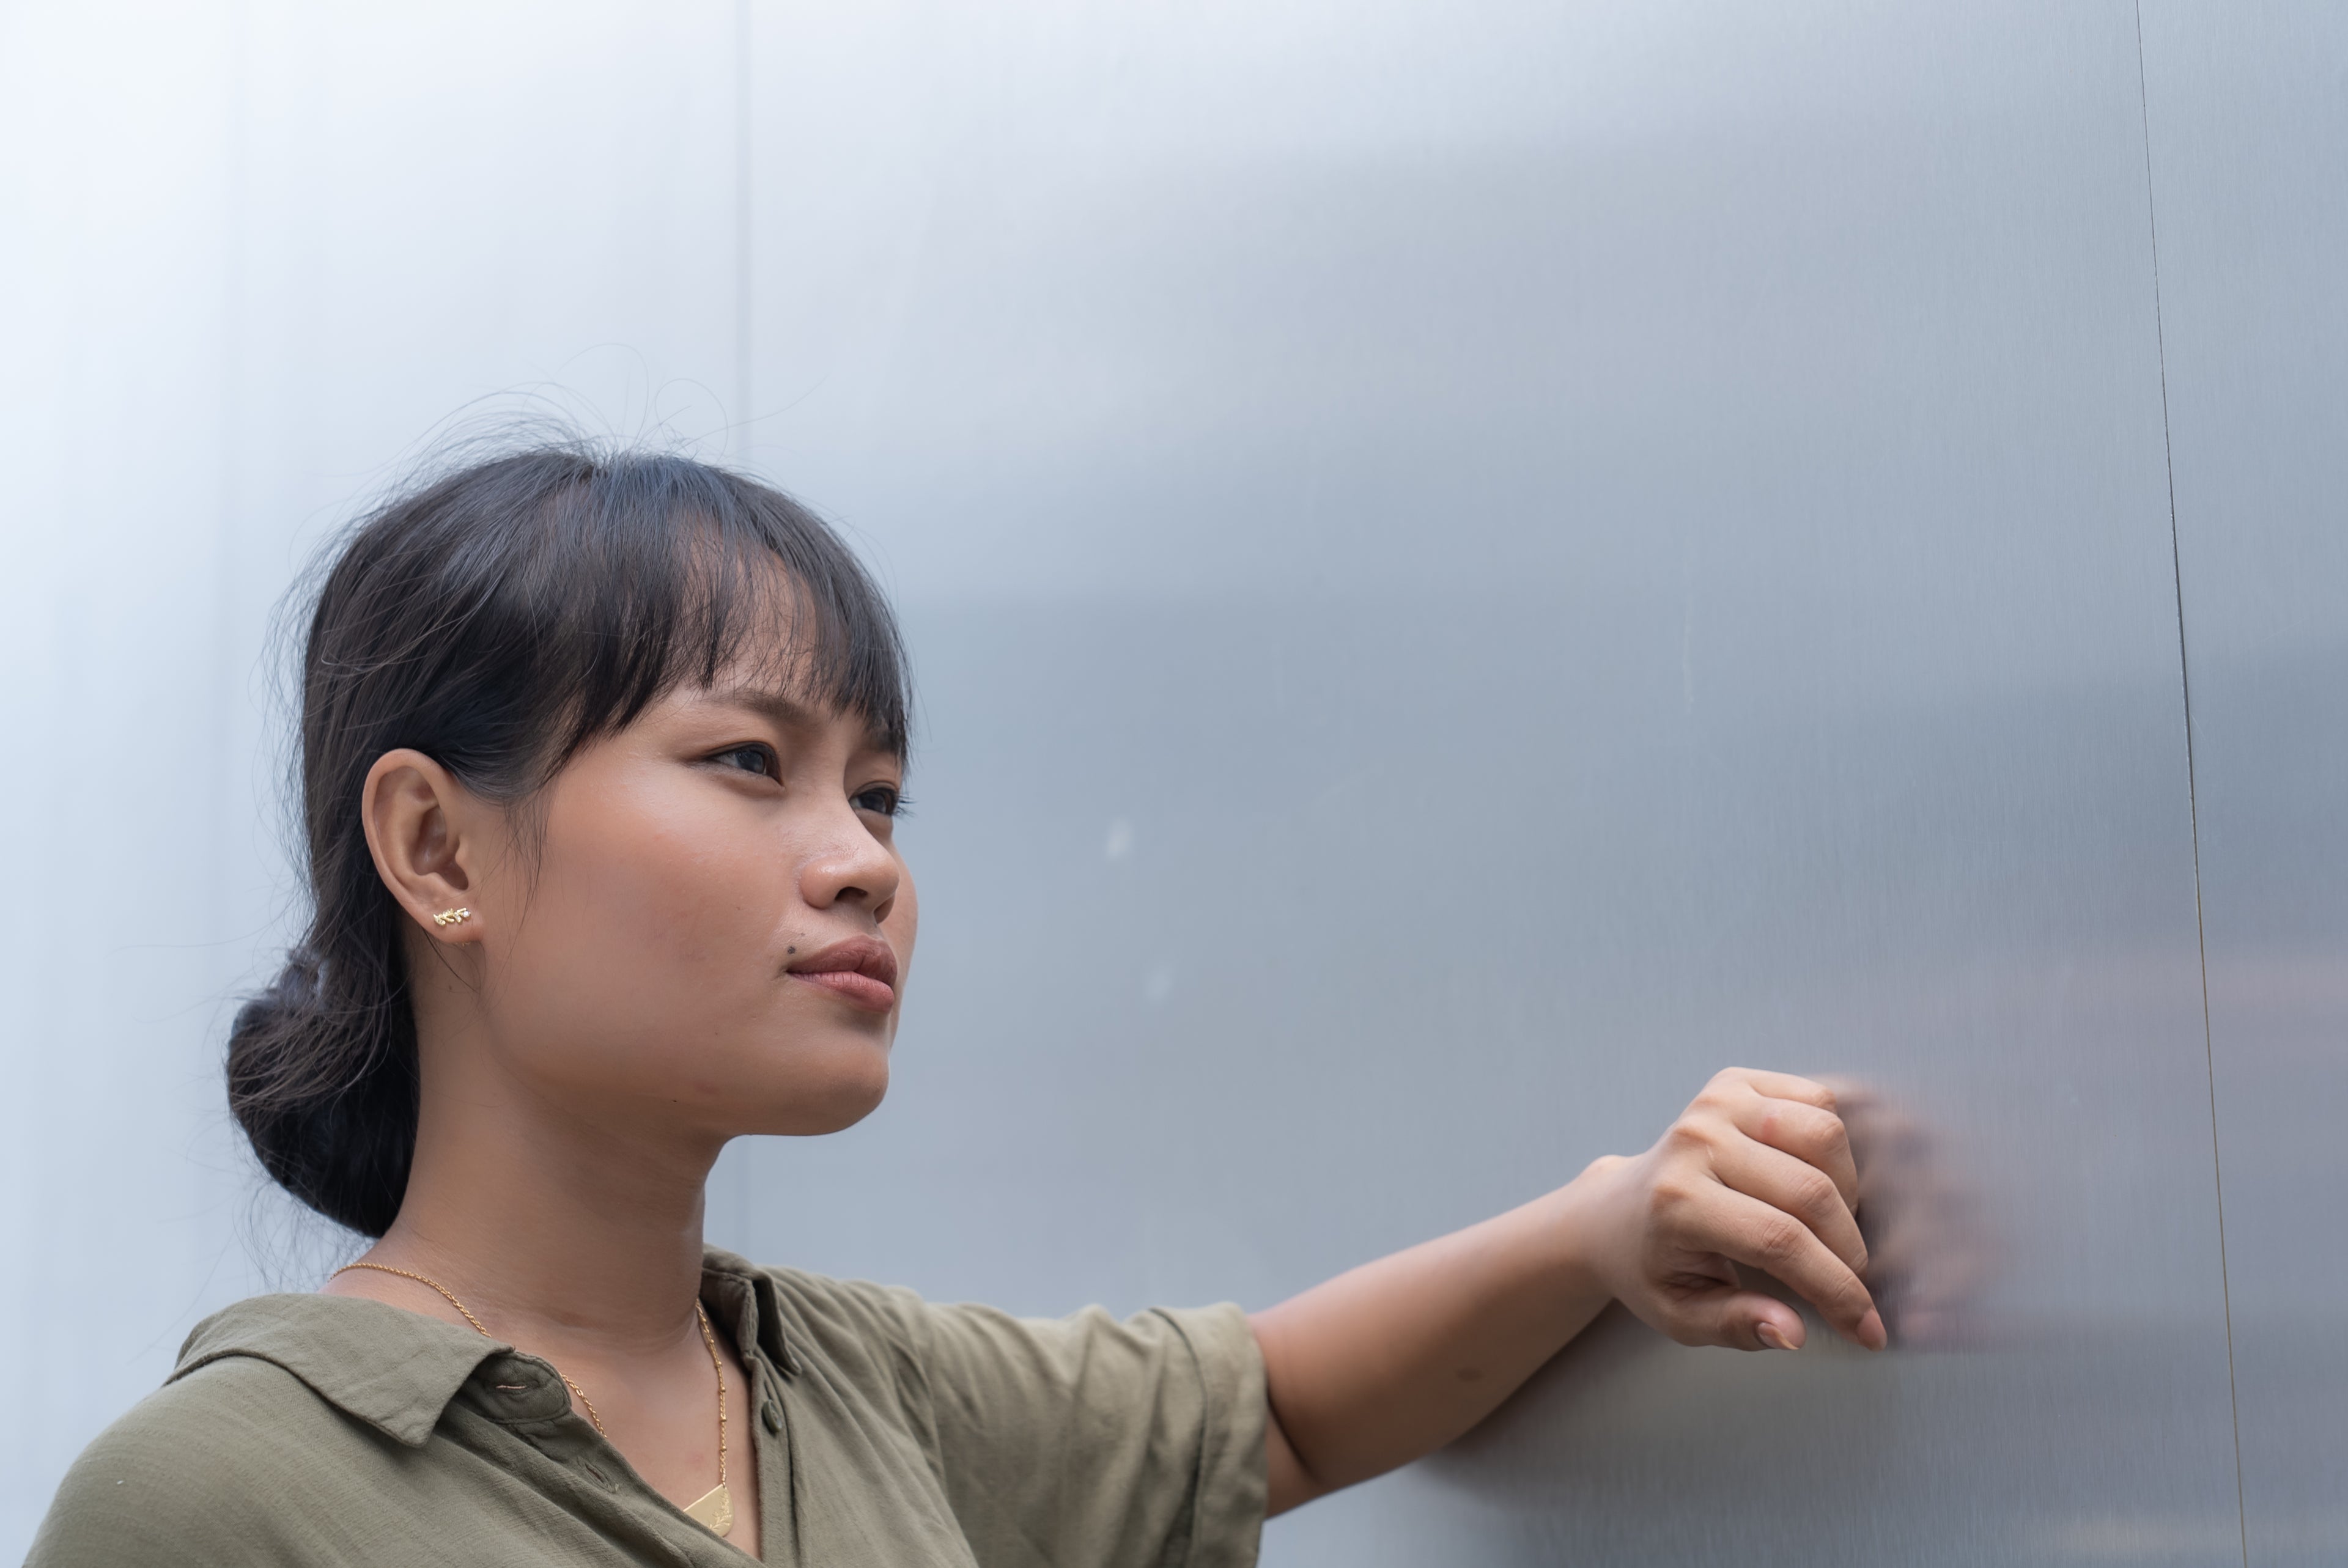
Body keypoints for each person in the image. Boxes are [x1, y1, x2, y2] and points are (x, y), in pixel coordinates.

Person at [28, 446, 1882, 1567]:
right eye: (748, 762)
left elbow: (1278, 1416)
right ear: (437, 845)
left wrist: (1606, 1226)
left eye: (882, 795)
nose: (862, 863)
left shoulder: (852, 1394)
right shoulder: (218, 1503)